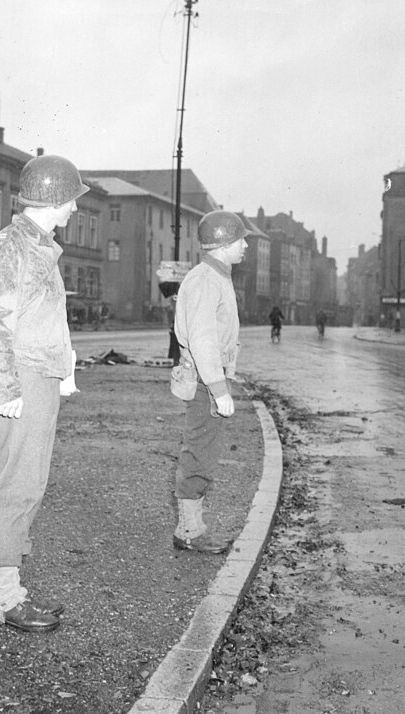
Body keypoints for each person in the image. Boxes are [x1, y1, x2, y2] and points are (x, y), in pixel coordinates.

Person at [0, 154, 87, 633]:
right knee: (14, 486)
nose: (75, 211)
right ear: (54, 199)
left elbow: (42, 319)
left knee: (29, 483)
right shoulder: (10, 247)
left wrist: (65, 370)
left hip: (38, 377)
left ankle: (10, 588)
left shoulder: (39, 248)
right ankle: (2, 598)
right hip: (19, 381)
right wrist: (6, 386)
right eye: (72, 202)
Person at [171, 210, 248, 554]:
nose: (245, 245)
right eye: (240, 240)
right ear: (223, 244)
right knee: (199, 454)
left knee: (204, 451)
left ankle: (192, 526)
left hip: (209, 378)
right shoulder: (205, 280)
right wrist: (219, 389)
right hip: (205, 381)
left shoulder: (218, 276)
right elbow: (203, 339)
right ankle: (190, 531)